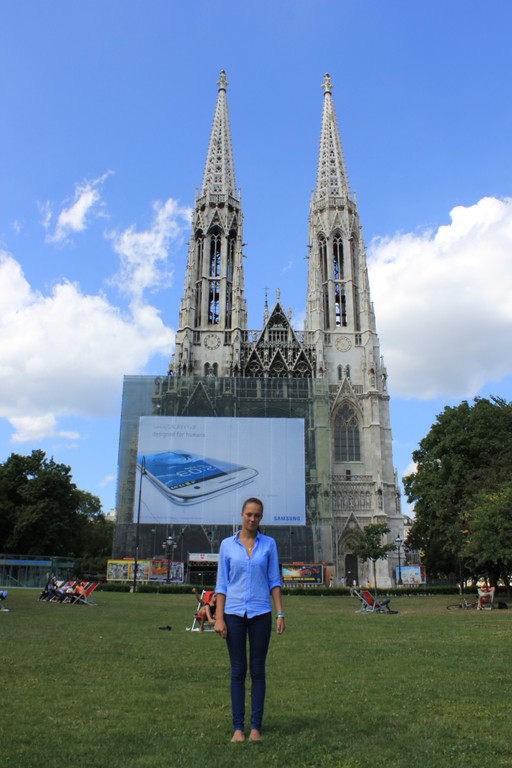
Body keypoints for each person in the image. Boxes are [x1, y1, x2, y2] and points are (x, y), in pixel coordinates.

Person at [215, 497, 285, 743]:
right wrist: (219, 618)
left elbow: (274, 580)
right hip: (233, 613)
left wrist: (280, 613)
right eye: (249, 514)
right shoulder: (227, 545)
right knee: (237, 670)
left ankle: (255, 727)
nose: (252, 519)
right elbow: (221, 584)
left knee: (257, 670)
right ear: (242, 515)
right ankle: (238, 728)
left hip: (260, 613)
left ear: (261, 518)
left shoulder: (269, 544)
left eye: (256, 515)